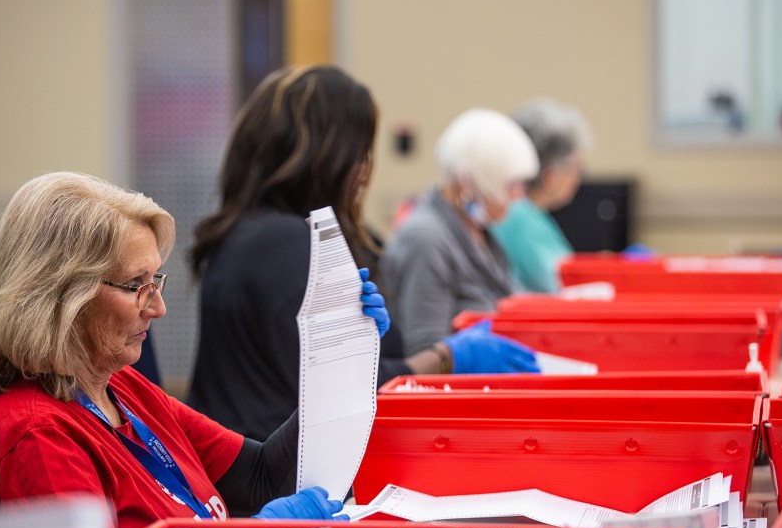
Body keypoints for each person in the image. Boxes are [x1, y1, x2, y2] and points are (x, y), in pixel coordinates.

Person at [0, 171, 352, 528]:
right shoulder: (37, 435)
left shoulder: (121, 387)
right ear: (62, 298)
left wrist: (342, 353)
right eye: (135, 285)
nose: (158, 308)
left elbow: (263, 476)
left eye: (155, 280)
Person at [187, 65, 539, 441]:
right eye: (360, 154)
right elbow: (339, 392)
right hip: (268, 480)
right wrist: (448, 357)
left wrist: (370, 338)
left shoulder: (253, 232)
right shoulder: (282, 243)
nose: (365, 173)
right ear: (329, 158)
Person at [379, 107, 541, 356]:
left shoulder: (479, 230)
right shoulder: (426, 240)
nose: (519, 196)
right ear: (468, 181)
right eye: (510, 185)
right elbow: (423, 348)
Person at [490, 97, 594, 293]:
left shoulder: (519, 212)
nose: (579, 178)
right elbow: (563, 285)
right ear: (551, 176)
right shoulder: (519, 217)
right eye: (577, 168)